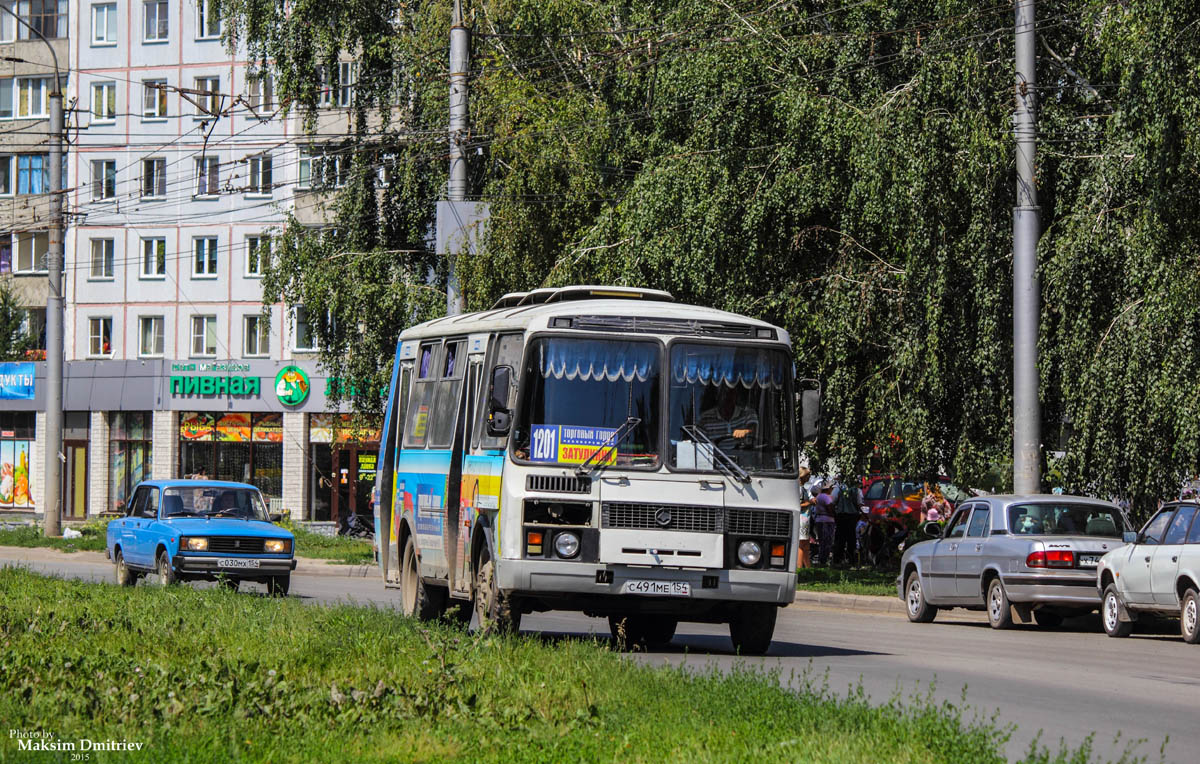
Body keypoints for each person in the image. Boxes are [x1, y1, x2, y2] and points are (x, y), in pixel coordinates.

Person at [697, 386, 758, 452]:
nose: (726, 397)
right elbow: (700, 448)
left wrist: (746, 431)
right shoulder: (706, 419)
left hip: (744, 460)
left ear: (736, 396)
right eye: (723, 394)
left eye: (731, 394)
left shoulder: (747, 414)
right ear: (717, 397)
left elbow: (755, 429)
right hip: (714, 460)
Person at [831, 477, 861, 566]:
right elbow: (860, 503)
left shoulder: (838, 489)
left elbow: (832, 502)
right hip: (852, 516)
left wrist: (835, 513)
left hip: (841, 516)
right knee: (851, 538)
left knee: (840, 538)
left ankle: (838, 559)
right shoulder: (857, 490)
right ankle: (851, 559)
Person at [813, 482, 836, 565]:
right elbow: (830, 508)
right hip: (827, 521)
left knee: (822, 541)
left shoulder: (818, 496)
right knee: (827, 541)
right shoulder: (826, 497)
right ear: (828, 489)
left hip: (819, 520)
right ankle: (823, 560)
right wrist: (834, 515)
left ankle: (821, 559)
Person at [796, 467, 814, 569]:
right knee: (801, 544)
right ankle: (799, 566)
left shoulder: (803, 488)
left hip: (805, 518)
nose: (809, 477)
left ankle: (807, 566)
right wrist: (808, 503)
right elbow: (797, 504)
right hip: (802, 519)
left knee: (806, 543)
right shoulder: (799, 489)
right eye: (807, 475)